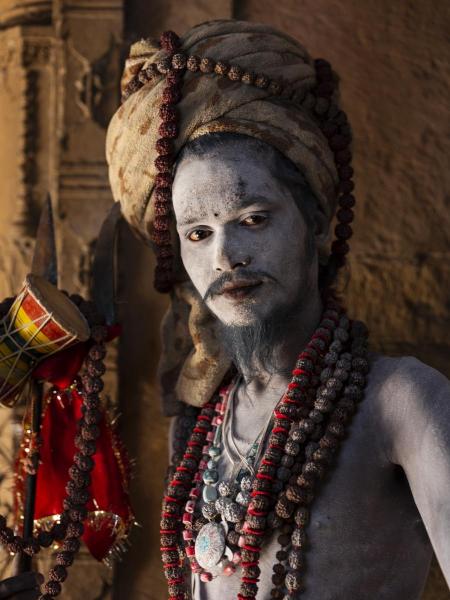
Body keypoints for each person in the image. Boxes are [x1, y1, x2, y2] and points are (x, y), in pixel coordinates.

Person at [92, 17, 450, 599]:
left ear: (314, 222)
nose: (226, 257)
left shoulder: (402, 401)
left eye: (253, 219)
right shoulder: (202, 424)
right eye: (198, 234)